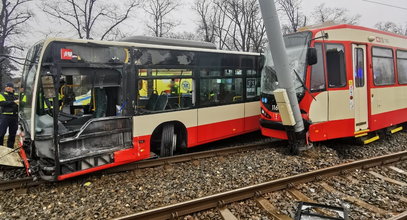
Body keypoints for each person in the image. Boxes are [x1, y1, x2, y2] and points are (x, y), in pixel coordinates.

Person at [0, 82, 19, 148]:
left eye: (10, 87)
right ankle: (1, 148)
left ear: (13, 88)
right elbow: (2, 103)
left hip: (14, 116)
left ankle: (10, 148)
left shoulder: (16, 95)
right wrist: (13, 102)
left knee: (13, 133)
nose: (8, 88)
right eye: (7, 87)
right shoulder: (2, 94)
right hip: (5, 116)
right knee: (1, 132)